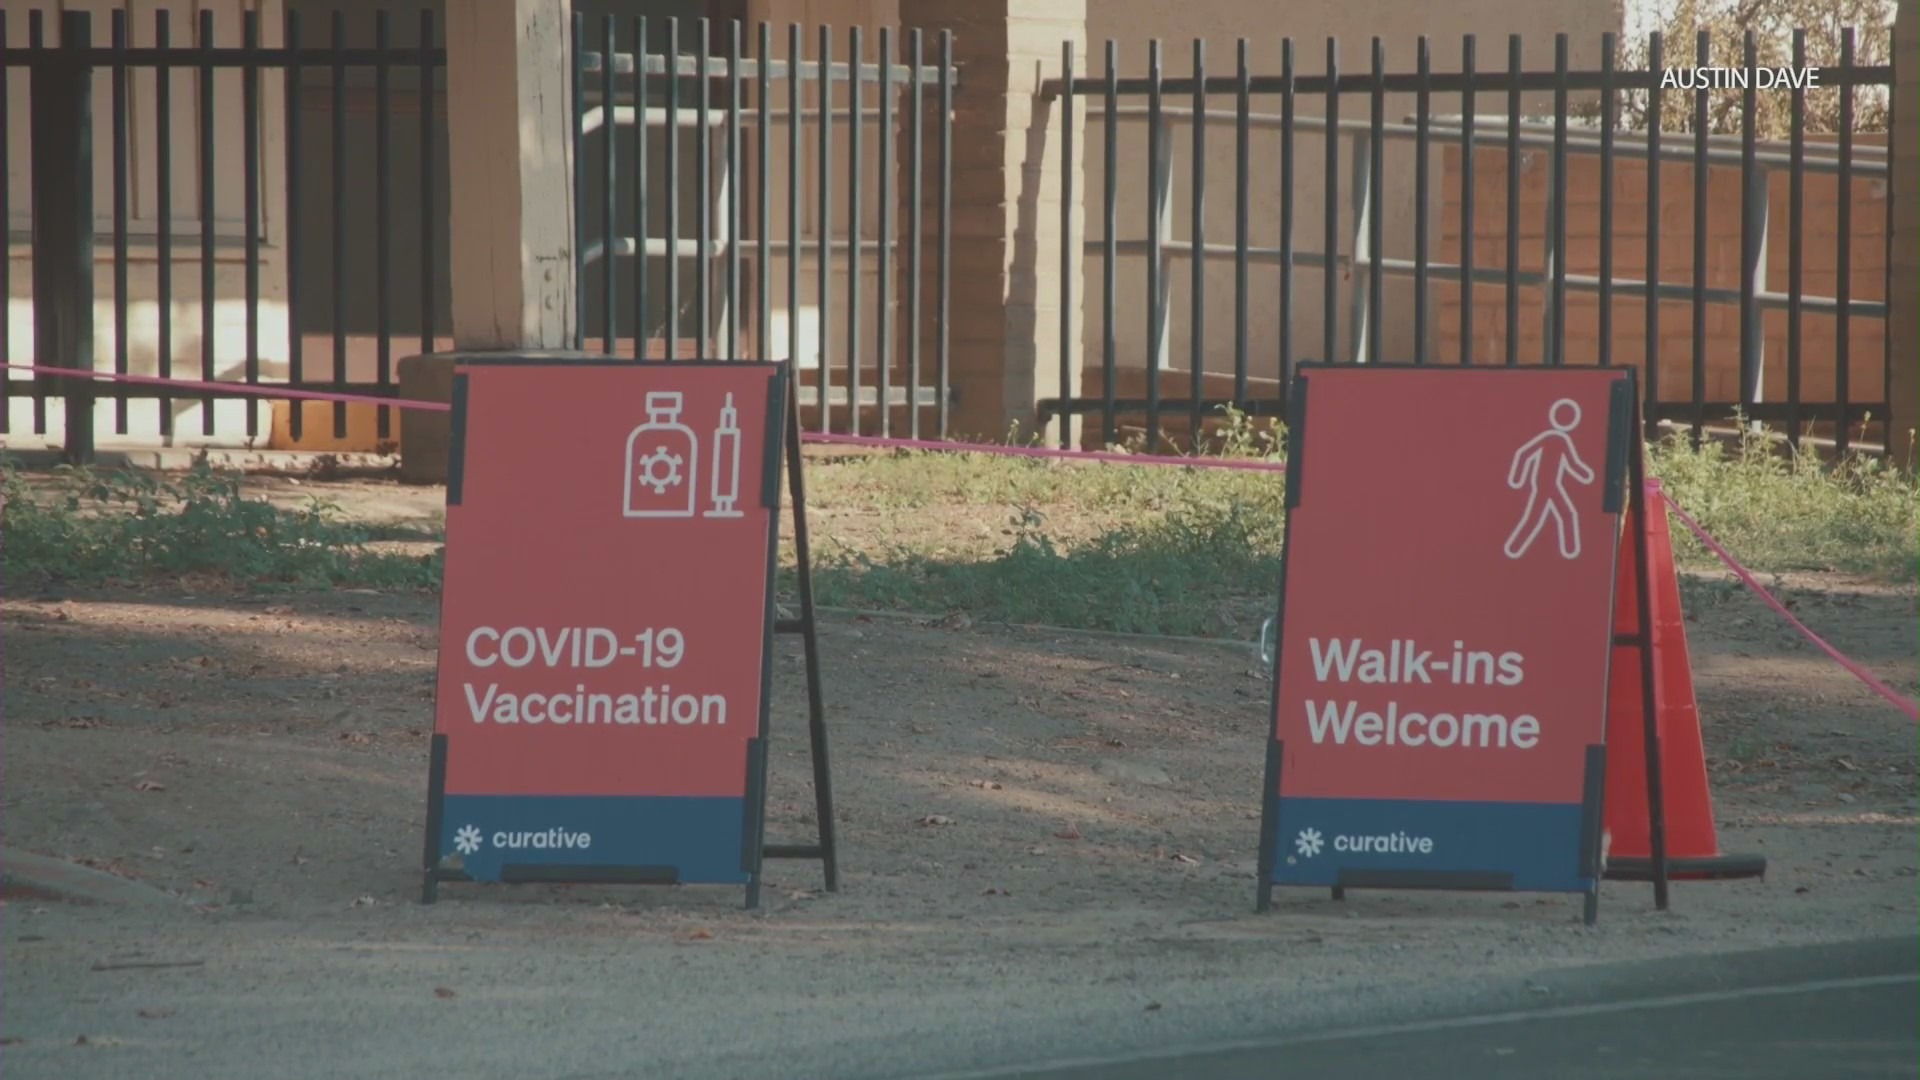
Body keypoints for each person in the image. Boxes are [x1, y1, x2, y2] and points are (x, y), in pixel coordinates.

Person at [1504, 398, 1595, 560]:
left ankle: (1569, 551)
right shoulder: (1553, 439)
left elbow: (1571, 463)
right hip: (1546, 484)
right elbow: (1525, 455)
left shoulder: (1559, 440)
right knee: (1550, 516)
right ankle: (1515, 548)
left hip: (1548, 484)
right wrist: (1518, 478)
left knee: (1563, 514)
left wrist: (1584, 474)